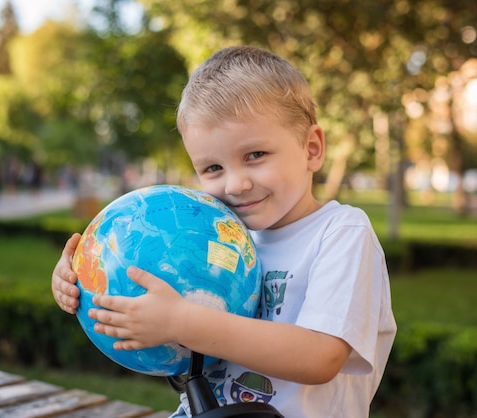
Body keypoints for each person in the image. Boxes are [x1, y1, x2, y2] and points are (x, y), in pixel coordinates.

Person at [52, 45, 397, 417]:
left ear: (311, 149)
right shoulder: (215, 236)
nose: (235, 184)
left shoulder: (341, 233)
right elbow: (171, 326)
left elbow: (321, 356)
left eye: (255, 156)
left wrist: (182, 321)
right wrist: (85, 283)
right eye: (213, 168)